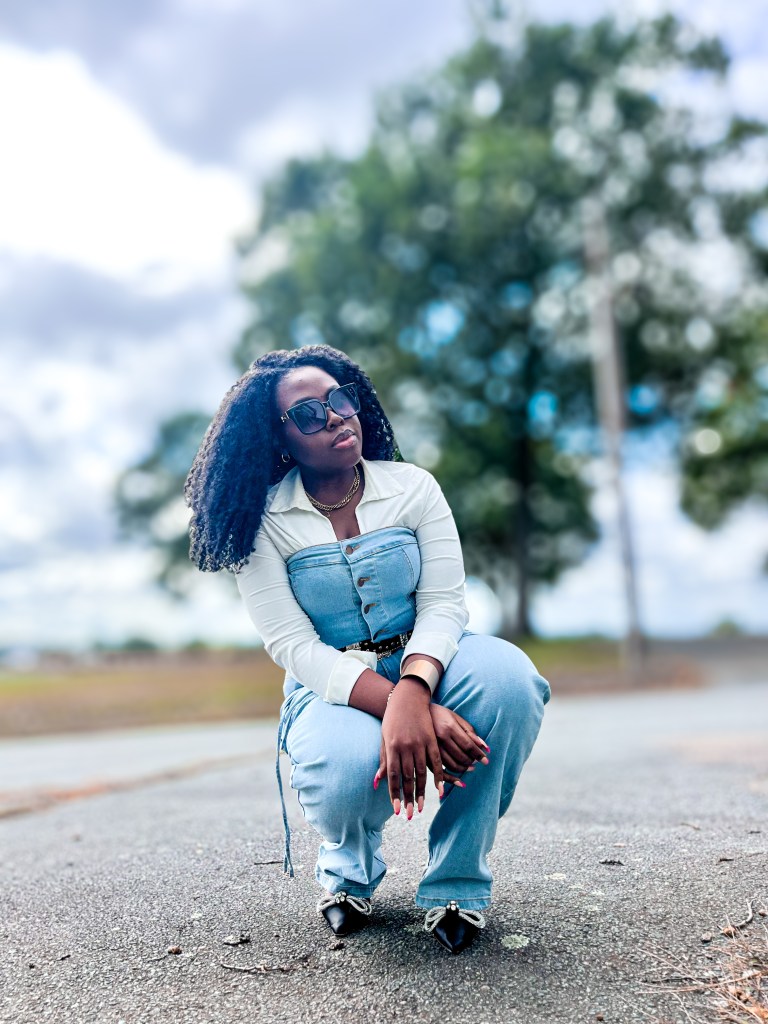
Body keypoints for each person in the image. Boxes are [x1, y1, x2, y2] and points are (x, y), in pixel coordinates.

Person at [185, 343, 551, 954]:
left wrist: (415, 689)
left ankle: (458, 881)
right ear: (278, 441)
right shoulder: (262, 521)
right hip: (331, 682)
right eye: (308, 414)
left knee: (509, 684)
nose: (334, 417)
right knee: (347, 772)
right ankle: (348, 868)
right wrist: (402, 708)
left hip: (433, 657)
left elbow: (444, 603)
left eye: (340, 400)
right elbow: (292, 643)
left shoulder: (414, 488)